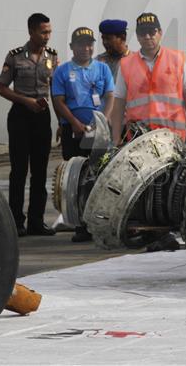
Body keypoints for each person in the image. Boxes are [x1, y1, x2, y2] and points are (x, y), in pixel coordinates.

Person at [0, 13, 59, 237]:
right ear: (31, 32)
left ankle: (37, 220)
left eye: (49, 32)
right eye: (43, 32)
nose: (47, 36)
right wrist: (27, 102)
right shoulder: (15, 56)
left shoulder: (52, 56)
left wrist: (60, 120)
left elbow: (55, 89)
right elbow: (2, 88)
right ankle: (16, 220)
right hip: (20, 116)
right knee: (19, 170)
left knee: (40, 171)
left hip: (42, 116)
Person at [52, 26, 114, 243]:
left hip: (98, 130)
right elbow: (58, 101)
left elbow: (110, 95)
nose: (86, 48)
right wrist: (74, 123)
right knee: (75, 178)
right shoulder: (62, 71)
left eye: (89, 44)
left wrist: (102, 121)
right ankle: (80, 225)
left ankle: (99, 222)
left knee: (99, 174)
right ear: (72, 47)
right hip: (73, 130)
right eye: (80, 44)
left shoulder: (102, 69)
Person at [109, 12, 186, 146]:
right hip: (139, 137)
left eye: (152, 32)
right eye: (142, 33)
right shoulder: (126, 64)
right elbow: (119, 103)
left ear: (160, 33)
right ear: (138, 37)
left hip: (173, 136)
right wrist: (116, 137)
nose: (147, 37)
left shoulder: (177, 59)